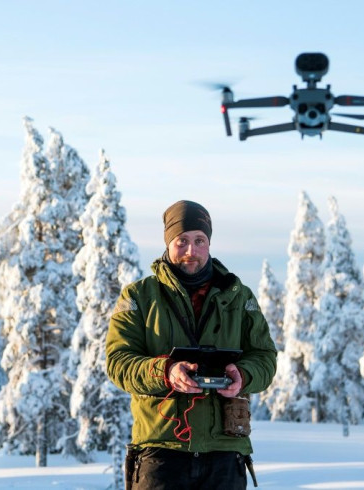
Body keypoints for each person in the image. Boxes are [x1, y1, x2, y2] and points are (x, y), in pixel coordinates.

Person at [106, 200, 277, 489]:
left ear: (209, 243)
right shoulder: (139, 296)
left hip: (224, 453)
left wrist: (243, 375)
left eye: (199, 241)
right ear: (168, 243)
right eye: (181, 241)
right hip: (160, 452)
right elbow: (118, 362)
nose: (190, 251)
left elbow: (265, 358)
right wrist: (165, 371)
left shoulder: (238, 296)